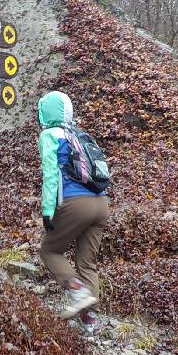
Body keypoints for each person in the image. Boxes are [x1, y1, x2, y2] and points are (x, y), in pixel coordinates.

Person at [37, 90, 110, 332]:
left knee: (50, 251)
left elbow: (50, 176)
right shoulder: (80, 135)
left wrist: (48, 211)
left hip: (75, 204)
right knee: (86, 263)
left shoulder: (50, 135)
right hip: (101, 204)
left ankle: (77, 293)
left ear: (45, 113)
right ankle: (90, 324)